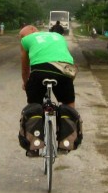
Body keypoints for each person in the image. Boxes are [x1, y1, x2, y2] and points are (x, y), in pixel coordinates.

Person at [18, 25, 81, 156]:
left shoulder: (26, 41)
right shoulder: (58, 36)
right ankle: (66, 141)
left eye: (21, 36)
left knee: (34, 106)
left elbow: (25, 68)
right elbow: (69, 60)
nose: (22, 39)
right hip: (63, 70)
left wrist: (26, 84)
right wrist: (68, 85)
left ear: (29, 33)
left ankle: (33, 145)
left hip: (39, 72)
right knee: (69, 106)